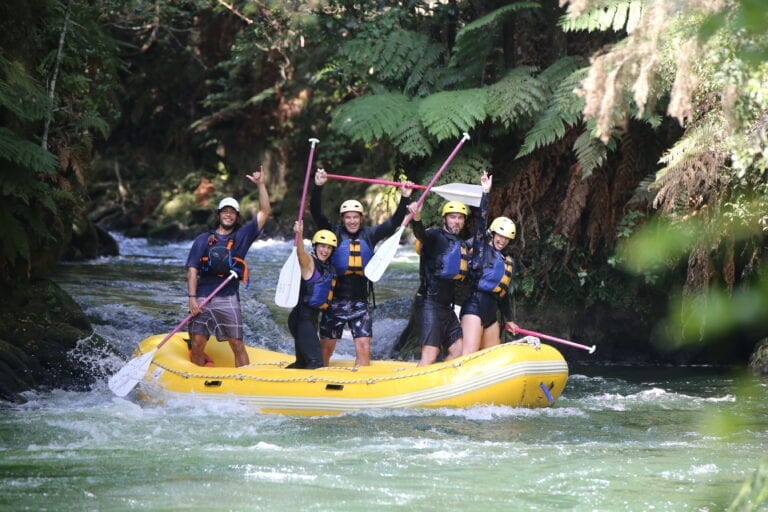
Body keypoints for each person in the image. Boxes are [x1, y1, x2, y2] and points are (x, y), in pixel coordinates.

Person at [310, 168, 414, 366]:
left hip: (360, 302)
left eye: (355, 217)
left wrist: (405, 198)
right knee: (326, 348)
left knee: (364, 347)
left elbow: (393, 223)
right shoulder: (333, 232)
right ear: (342, 219)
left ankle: (362, 384)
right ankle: (319, 380)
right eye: (348, 217)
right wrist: (318, 187)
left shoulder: (370, 234)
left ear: (361, 218)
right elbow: (316, 212)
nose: (352, 221)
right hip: (334, 303)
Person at [185, 168, 271, 367]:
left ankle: (245, 382)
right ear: (219, 215)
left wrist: (260, 185)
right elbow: (192, 270)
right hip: (203, 297)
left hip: (228, 298)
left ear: (236, 217)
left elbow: (264, 211)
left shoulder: (242, 236)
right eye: (225, 212)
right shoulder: (203, 239)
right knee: (197, 343)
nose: (228, 216)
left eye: (232, 213)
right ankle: (197, 380)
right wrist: (192, 299)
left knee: (237, 344)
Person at [407, 173, 486, 366]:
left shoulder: (460, 245)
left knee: (458, 351)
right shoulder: (434, 236)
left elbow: (481, 234)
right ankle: (418, 391)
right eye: (453, 217)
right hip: (428, 304)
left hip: (446, 307)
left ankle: (438, 385)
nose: (457, 221)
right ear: (445, 219)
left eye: (460, 218)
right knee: (430, 355)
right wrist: (416, 217)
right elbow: (420, 233)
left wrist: (486, 194)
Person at [460, 172, 520, 355]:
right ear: (492, 234)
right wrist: (486, 193)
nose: (502, 240)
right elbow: (481, 221)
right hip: (474, 307)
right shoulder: (480, 250)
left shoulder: (507, 262)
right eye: (500, 236)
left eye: (506, 238)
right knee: (469, 354)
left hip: (491, 314)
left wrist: (509, 319)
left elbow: (503, 295)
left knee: (491, 356)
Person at [286, 221, 338, 369]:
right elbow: (300, 252)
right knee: (316, 362)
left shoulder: (328, 267)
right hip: (302, 321)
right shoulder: (309, 263)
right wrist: (299, 233)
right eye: (322, 246)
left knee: (302, 362)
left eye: (329, 248)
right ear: (315, 246)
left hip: (310, 320)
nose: (325, 250)